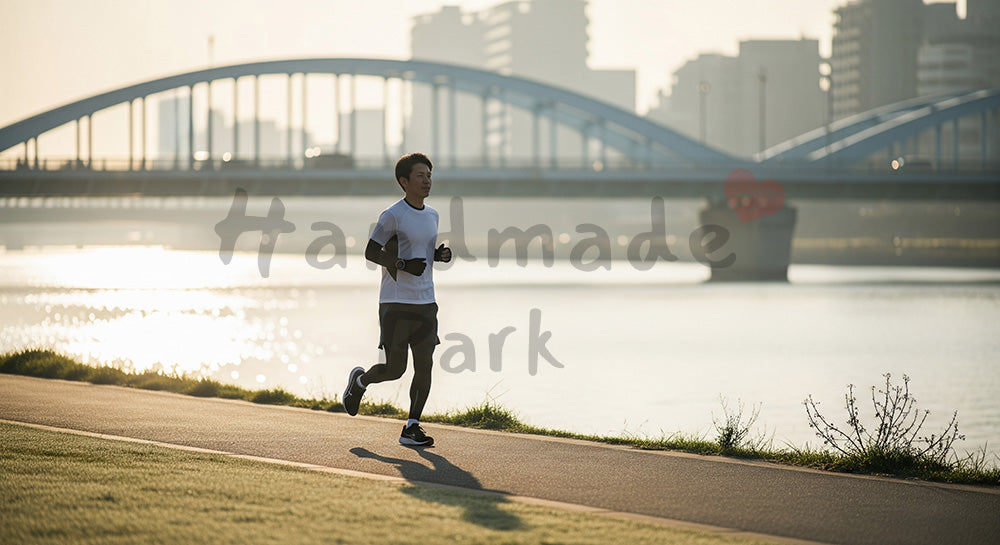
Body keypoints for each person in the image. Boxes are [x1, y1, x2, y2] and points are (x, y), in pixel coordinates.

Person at [342, 152, 451, 447]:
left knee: (425, 365)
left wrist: (437, 256)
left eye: (429, 175)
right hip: (396, 302)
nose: (427, 180)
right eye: (420, 175)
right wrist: (403, 265)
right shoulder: (392, 215)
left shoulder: (432, 215)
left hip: (426, 302)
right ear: (404, 181)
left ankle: (411, 426)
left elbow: (422, 253)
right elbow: (371, 252)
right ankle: (360, 382)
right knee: (395, 369)